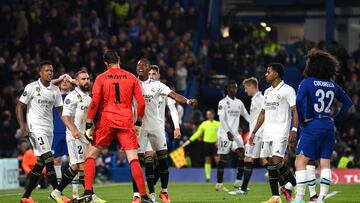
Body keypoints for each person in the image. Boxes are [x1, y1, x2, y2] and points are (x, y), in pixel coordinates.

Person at [76, 50, 152, 203]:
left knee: (91, 156)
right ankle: (143, 196)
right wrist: (138, 122)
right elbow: (141, 103)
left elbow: (95, 102)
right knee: (133, 159)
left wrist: (89, 122)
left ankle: (88, 192)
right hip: (125, 121)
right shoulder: (131, 77)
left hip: (107, 120)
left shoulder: (101, 78)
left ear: (106, 63)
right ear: (119, 59)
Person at [133, 59, 197, 203]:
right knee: (137, 161)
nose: (140, 68)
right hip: (139, 127)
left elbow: (174, 97)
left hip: (157, 126)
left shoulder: (158, 86)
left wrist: (187, 101)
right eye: (138, 66)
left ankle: (164, 192)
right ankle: (139, 195)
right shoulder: (132, 83)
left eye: (143, 65)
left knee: (163, 159)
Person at [292, 49, 352, 203]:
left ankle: (299, 198)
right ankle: (321, 198)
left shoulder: (307, 82)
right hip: (328, 125)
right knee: (325, 162)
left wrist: (304, 117)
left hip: (313, 125)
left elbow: (298, 101)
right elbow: (348, 102)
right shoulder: (332, 85)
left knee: (300, 161)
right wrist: (336, 118)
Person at [50, 70, 106, 203]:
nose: (86, 81)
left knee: (75, 167)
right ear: (77, 81)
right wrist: (74, 130)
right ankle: (90, 195)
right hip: (74, 137)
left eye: (87, 79)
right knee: (83, 165)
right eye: (83, 79)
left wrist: (91, 131)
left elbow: (89, 119)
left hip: (85, 137)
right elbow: (64, 116)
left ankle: (56, 192)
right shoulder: (71, 97)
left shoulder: (88, 98)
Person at [251, 63, 298, 203]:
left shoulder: (288, 90)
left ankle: (295, 185)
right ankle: (275, 197)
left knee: (277, 161)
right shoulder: (267, 92)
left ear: (276, 74)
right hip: (268, 132)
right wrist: (253, 132)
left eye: (268, 72)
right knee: (269, 161)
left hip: (281, 131)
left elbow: (295, 111)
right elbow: (263, 113)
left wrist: (294, 129)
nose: (266, 74)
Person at [16, 61, 63, 203]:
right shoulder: (31, 87)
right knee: (49, 157)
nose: (50, 72)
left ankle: (25, 197)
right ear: (40, 73)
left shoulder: (55, 90)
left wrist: (69, 125)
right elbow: (19, 106)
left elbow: (61, 109)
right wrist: (23, 125)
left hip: (49, 129)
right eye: (47, 70)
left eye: (51, 70)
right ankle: (57, 193)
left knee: (41, 162)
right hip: (35, 129)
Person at [229, 77, 267, 195]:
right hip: (257, 134)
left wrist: (254, 133)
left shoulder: (259, 99)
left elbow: (265, 114)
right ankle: (285, 184)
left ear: (251, 86)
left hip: (257, 135)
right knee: (264, 161)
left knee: (249, 159)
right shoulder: (256, 99)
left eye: (246, 88)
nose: (245, 91)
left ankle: (243, 189)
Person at [215, 80, 250, 192]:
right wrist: (227, 132)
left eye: (235, 87)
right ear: (227, 89)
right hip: (224, 134)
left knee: (242, 153)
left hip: (235, 134)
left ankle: (238, 181)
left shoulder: (239, 102)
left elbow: (246, 115)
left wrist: (255, 126)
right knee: (223, 158)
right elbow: (222, 119)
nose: (233, 89)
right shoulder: (222, 102)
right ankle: (219, 184)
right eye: (231, 87)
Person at [182, 110, 220, 182]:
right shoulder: (204, 124)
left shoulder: (218, 124)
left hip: (215, 144)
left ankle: (220, 176)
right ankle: (208, 177)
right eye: (207, 114)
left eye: (209, 114)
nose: (208, 116)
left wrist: (219, 141)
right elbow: (197, 134)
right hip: (207, 144)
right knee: (207, 160)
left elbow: (222, 134)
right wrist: (189, 141)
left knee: (217, 160)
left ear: (213, 115)